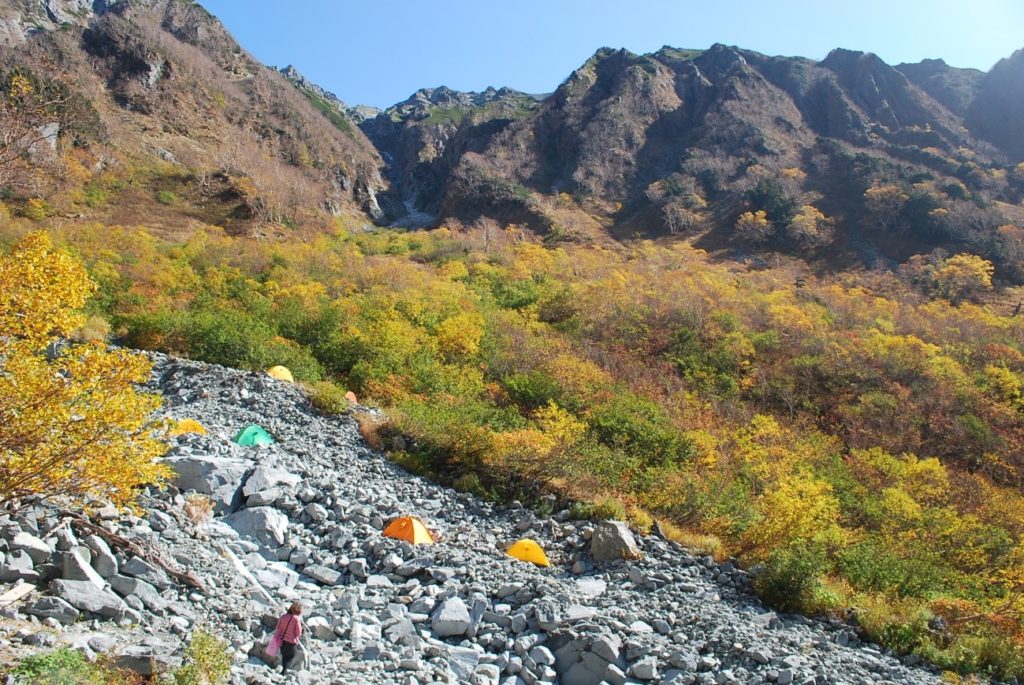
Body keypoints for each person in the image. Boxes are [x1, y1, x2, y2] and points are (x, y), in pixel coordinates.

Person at [274, 602, 303, 672]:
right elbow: (298, 632)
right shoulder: (296, 619)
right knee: (290, 658)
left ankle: (281, 671)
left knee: (284, 657)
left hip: (282, 640)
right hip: (291, 642)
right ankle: (286, 674)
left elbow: (278, 627)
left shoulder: (283, 616)